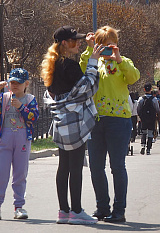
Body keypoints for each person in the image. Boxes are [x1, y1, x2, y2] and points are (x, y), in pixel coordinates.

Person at [41, 26, 103, 224]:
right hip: (74, 120)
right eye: (75, 41)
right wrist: (93, 60)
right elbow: (88, 87)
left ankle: (63, 211)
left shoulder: (52, 65)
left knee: (64, 166)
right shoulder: (69, 65)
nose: (78, 44)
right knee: (76, 166)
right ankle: (76, 210)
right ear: (65, 44)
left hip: (60, 120)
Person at [81, 26, 140, 223]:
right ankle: (102, 207)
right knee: (96, 167)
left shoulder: (124, 62)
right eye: (102, 45)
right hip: (96, 120)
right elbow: (83, 70)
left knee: (117, 166)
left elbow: (133, 77)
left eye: (110, 45)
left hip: (119, 121)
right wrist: (90, 49)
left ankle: (119, 210)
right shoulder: (93, 63)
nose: (106, 49)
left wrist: (119, 59)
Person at [0, 68, 39, 221]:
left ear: (26, 84)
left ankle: (19, 207)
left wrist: (21, 107)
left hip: (22, 140)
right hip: (5, 139)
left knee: (20, 174)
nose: (15, 86)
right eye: (12, 82)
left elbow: (33, 117)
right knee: (0, 173)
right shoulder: (3, 98)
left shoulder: (30, 99)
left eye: (18, 83)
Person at [137, 83, 160, 155]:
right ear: (151, 89)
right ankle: (148, 149)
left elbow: (138, 109)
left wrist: (140, 116)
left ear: (144, 89)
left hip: (143, 118)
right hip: (151, 118)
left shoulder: (141, 99)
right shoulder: (154, 99)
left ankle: (143, 145)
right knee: (150, 133)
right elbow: (157, 109)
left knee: (143, 132)